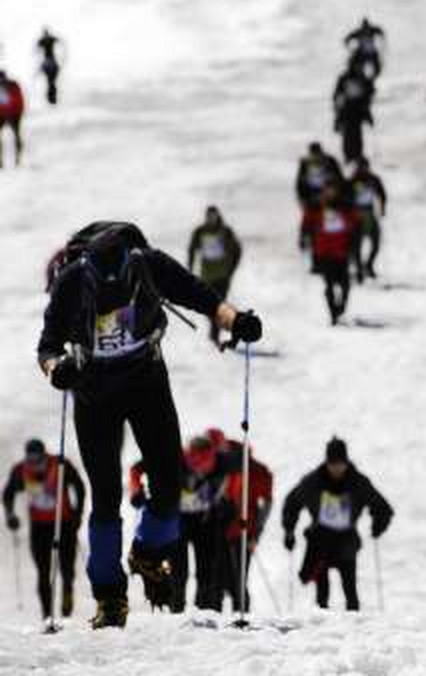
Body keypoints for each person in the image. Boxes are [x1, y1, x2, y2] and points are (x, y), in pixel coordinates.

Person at [37, 221, 263, 629]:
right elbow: (47, 346)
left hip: (145, 382)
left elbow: (202, 297)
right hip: (93, 392)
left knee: (169, 481)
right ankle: (109, 598)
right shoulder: (72, 282)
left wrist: (237, 321)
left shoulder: (148, 265)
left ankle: (147, 551)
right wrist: (58, 371)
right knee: (104, 495)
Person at [281, 438, 392, 611]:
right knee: (322, 592)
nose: (337, 468)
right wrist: (289, 530)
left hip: (346, 540)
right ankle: (321, 627)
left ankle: (354, 627)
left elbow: (382, 507)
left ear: (346, 462)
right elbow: (291, 503)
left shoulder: (358, 482)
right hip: (320, 540)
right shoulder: (312, 482)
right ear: (326, 462)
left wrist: (378, 525)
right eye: (333, 464)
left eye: (340, 463)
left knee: (350, 590)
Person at [3, 439, 86, 620]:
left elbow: (79, 486)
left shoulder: (60, 465)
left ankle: (67, 596)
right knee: (43, 571)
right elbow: (8, 493)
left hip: (63, 524)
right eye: (31, 461)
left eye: (38, 461)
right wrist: (10, 515)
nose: (35, 466)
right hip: (39, 527)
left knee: (66, 567)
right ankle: (47, 614)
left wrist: (77, 514)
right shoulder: (22, 470)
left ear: (44, 456)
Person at [169, 435, 230, 612]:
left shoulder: (222, 462)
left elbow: (240, 462)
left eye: (205, 461)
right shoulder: (176, 459)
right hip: (179, 519)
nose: (200, 467)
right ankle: (176, 609)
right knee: (178, 570)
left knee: (206, 569)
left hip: (204, 520)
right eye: (194, 460)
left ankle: (202, 610)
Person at [215, 436, 273, 612]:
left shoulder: (257, 471)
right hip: (218, 529)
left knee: (238, 580)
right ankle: (216, 616)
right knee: (218, 577)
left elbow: (266, 503)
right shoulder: (219, 465)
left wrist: (256, 534)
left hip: (244, 532)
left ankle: (240, 615)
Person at [300, 185, 362, 324]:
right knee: (329, 285)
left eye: (332, 191)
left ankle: (341, 307)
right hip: (324, 253)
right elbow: (307, 222)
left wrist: (353, 241)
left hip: (342, 253)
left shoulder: (345, 207)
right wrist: (303, 237)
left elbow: (356, 221)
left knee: (345, 285)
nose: (330, 194)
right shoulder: (316, 207)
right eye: (327, 191)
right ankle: (333, 313)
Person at [187, 206, 243, 345]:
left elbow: (237, 250)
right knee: (207, 306)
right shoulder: (200, 232)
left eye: (214, 216)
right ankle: (218, 329)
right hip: (206, 276)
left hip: (222, 276)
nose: (211, 219)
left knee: (218, 305)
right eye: (209, 216)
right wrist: (190, 267)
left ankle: (215, 334)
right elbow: (192, 249)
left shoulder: (225, 231)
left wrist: (231, 269)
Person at [347, 158, 387, 278]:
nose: (363, 170)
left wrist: (383, 208)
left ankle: (369, 265)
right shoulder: (352, 181)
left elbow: (382, 194)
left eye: (364, 168)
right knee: (356, 244)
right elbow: (345, 198)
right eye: (360, 168)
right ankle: (359, 267)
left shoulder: (373, 179)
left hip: (369, 212)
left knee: (376, 242)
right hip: (356, 214)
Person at [333, 63, 376, 163]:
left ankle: (356, 154)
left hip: (356, 110)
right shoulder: (346, 78)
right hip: (348, 110)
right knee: (348, 134)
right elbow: (337, 94)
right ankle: (349, 155)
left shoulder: (360, 77)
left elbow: (369, 92)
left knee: (356, 134)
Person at [295, 142, 344, 211]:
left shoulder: (330, 161)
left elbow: (339, 178)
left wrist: (337, 193)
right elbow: (299, 182)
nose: (316, 157)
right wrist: (302, 198)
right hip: (311, 194)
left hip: (329, 193)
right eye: (314, 155)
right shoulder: (305, 163)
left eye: (318, 154)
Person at [0, 70, 25, 168]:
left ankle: (18, 159)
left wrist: (15, 114)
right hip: (2, 115)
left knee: (17, 136)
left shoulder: (13, 86)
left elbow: (19, 102)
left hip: (14, 115)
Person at [36, 28, 62, 105]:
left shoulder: (45, 40)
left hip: (49, 61)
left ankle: (51, 97)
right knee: (51, 81)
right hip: (50, 61)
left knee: (50, 81)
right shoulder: (49, 39)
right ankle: (51, 97)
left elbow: (37, 47)